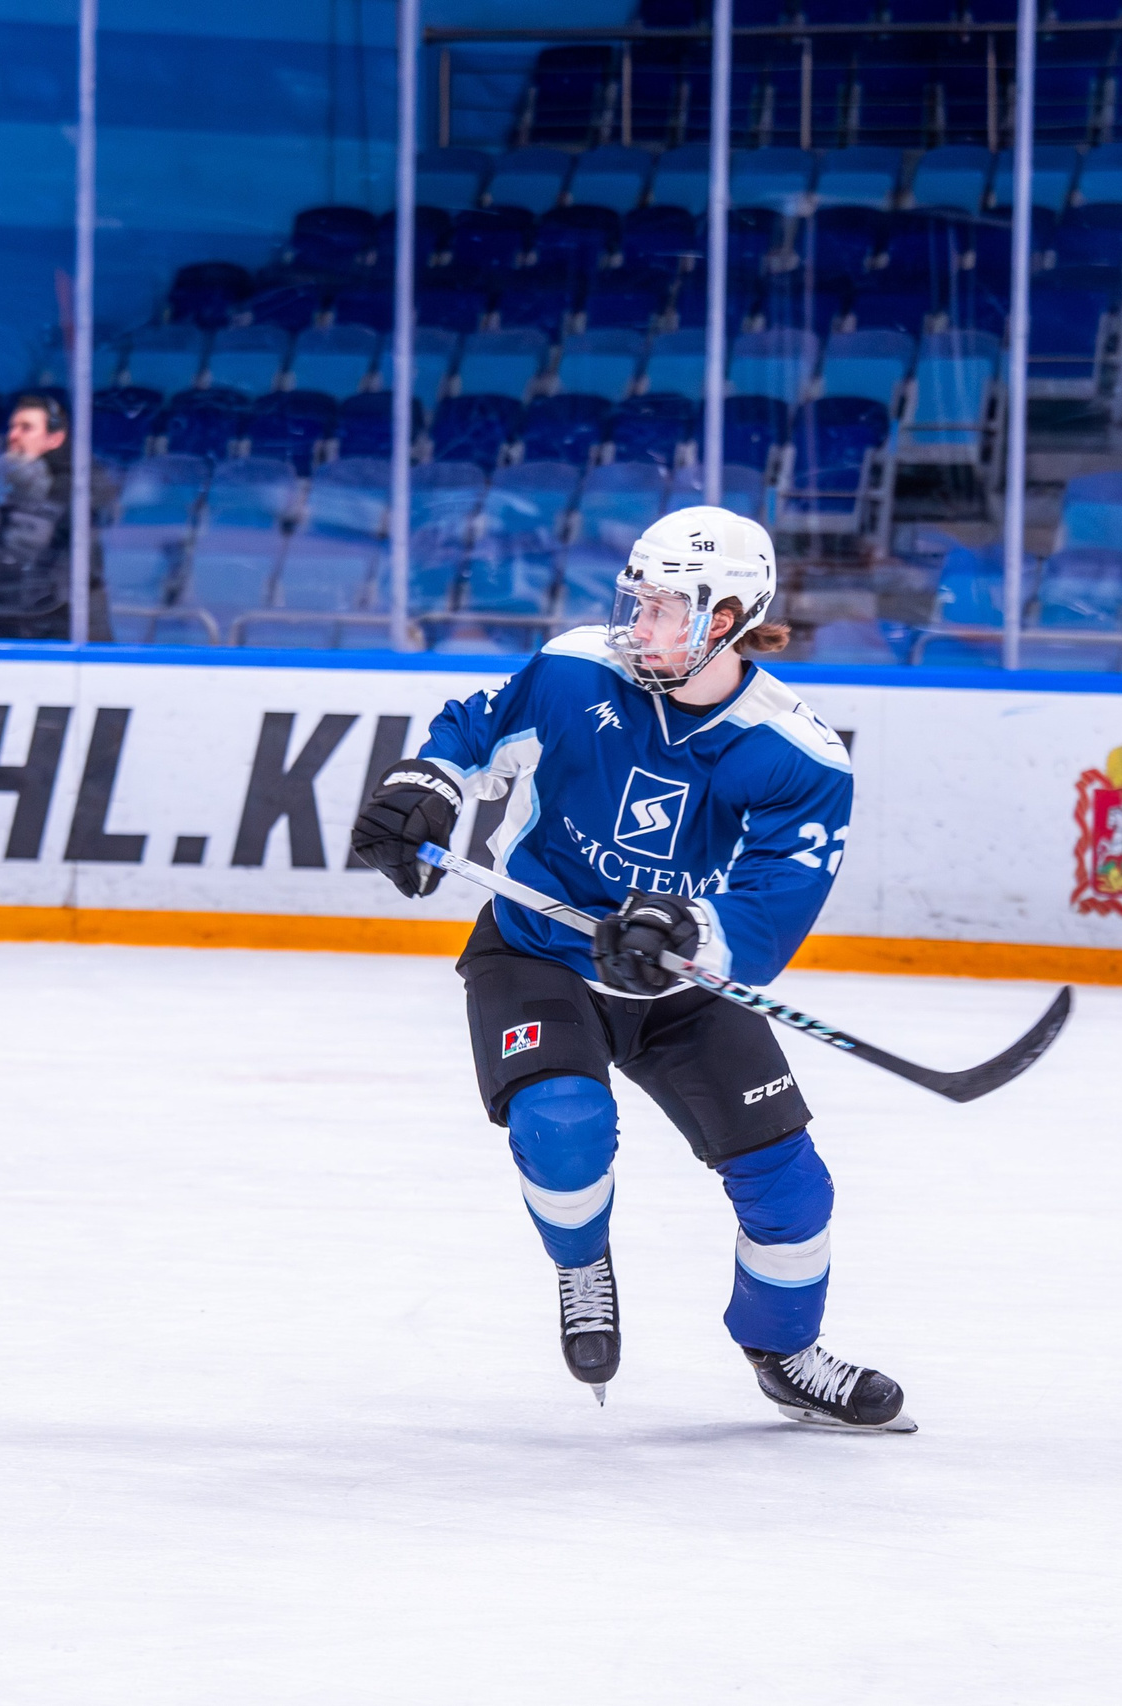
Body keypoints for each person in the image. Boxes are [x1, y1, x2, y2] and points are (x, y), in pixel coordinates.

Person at [349, 506, 910, 1432]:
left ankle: (786, 1352)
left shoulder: (799, 756)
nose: (636, 624)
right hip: (538, 952)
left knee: (793, 1187)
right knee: (564, 1122)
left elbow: (771, 909)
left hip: (677, 980)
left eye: (664, 609)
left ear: (727, 618)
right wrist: (427, 785)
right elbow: (474, 730)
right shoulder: (577, 670)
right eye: (637, 601)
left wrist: (684, 926)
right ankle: (582, 1265)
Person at [0, 393, 112, 642]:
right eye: (12, 427)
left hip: (59, 638)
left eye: (26, 428)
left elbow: (26, 538)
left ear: (54, 438)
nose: (13, 435)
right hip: (16, 628)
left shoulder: (75, 487)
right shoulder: (13, 486)